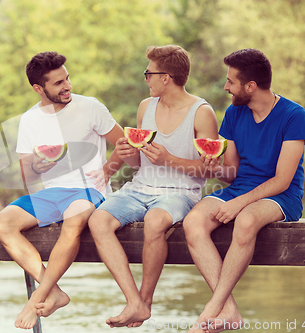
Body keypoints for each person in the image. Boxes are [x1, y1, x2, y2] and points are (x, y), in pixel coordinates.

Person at [88, 45, 219, 328]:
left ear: (166, 78)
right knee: (98, 220)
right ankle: (133, 301)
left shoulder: (201, 112)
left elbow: (207, 171)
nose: (145, 79)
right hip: (139, 188)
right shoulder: (145, 107)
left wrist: (168, 159)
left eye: (148, 74)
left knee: (155, 220)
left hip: (181, 193)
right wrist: (128, 152)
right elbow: (138, 163)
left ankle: (146, 302)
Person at [0, 51, 125, 330]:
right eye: (58, 83)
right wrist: (37, 166)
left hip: (89, 189)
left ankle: (36, 299)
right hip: (51, 193)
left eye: (67, 78)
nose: (67, 86)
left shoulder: (90, 107)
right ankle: (54, 292)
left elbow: (124, 143)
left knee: (74, 218)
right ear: (38, 88)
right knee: (3, 223)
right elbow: (26, 172)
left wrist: (107, 170)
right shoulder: (29, 120)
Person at [183, 48, 305, 333]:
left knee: (247, 220)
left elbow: (282, 180)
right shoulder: (234, 112)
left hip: (281, 197)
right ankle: (229, 312)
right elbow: (231, 172)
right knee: (193, 222)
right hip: (240, 190)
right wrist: (214, 167)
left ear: (251, 86)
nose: (226, 87)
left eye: (231, 82)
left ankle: (211, 309)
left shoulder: (293, 115)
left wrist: (238, 204)